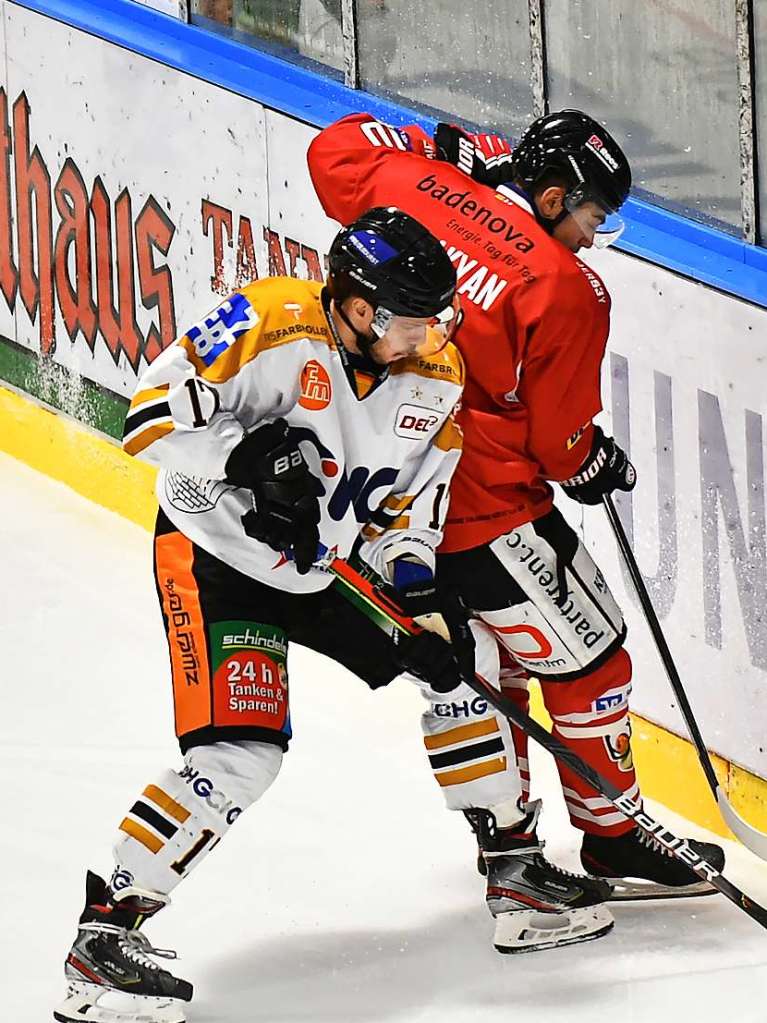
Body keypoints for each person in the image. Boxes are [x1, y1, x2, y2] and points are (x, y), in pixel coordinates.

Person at [308, 110, 725, 950]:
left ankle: (514, 860)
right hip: (481, 506)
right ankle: (607, 836)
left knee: (482, 673)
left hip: (377, 495)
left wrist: (432, 145)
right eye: (589, 216)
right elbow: (558, 443)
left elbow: (332, 153)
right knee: (591, 654)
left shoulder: (413, 184)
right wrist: (591, 462)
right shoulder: (562, 288)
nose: (592, 236)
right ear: (549, 194)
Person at [54, 207, 469, 1023]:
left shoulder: (438, 377)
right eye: (411, 323)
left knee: (464, 667)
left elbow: (408, 510)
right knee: (241, 754)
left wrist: (414, 594)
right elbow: (146, 413)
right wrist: (241, 455)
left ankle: (514, 861)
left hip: (329, 571)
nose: (429, 338)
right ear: (357, 307)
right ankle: (102, 942)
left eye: (432, 321)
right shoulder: (267, 320)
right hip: (214, 560)